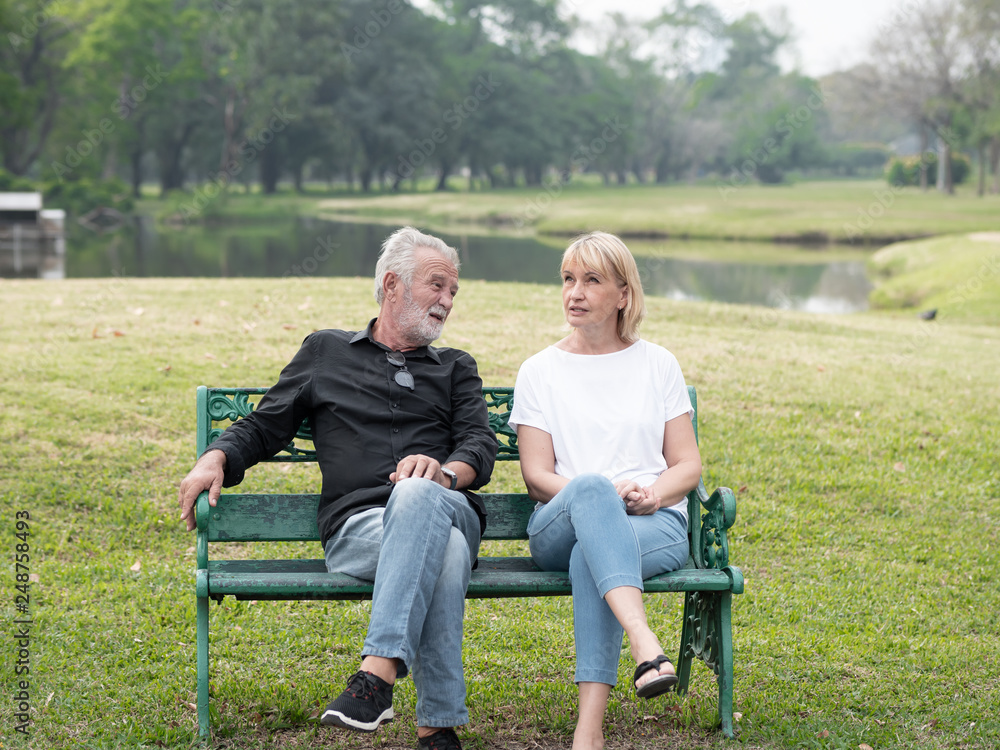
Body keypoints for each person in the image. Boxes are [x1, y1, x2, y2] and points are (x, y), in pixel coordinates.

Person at [178, 226, 497, 750]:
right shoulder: (326, 352)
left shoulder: (456, 367)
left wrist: (442, 474)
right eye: (437, 286)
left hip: (446, 503)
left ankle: (375, 678)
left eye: (453, 292)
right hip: (360, 530)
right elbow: (265, 425)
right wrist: (216, 455)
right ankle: (437, 728)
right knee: (449, 552)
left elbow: (479, 446)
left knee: (418, 496)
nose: (447, 302)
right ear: (392, 284)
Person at [507, 231, 702, 750]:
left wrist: (655, 495)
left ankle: (588, 730)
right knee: (591, 493)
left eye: (591, 280)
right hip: (560, 521)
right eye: (568, 279)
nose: (575, 291)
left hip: (650, 524)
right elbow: (537, 477)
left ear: (623, 293)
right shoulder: (540, 371)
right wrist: (596, 494)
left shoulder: (657, 363)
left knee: (591, 560)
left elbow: (687, 465)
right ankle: (645, 640)